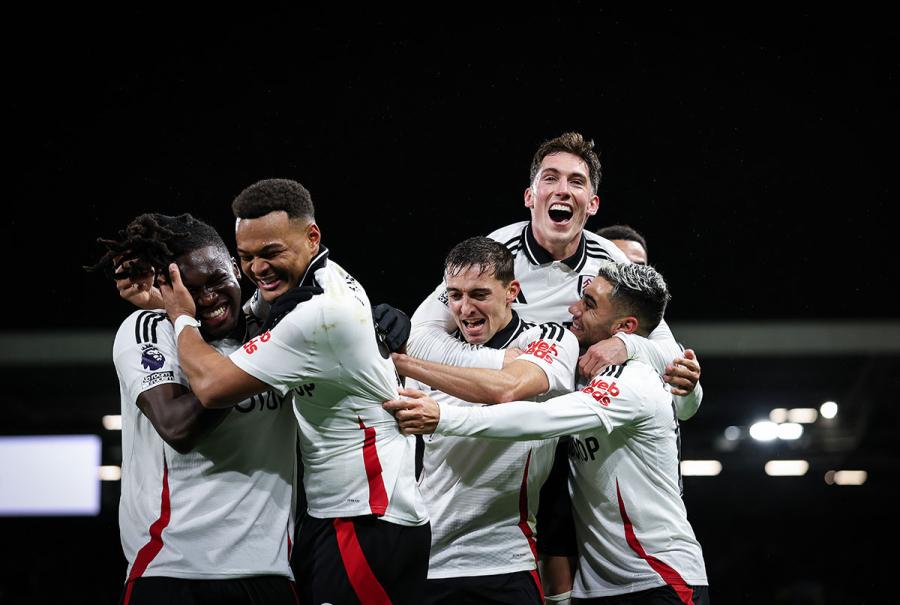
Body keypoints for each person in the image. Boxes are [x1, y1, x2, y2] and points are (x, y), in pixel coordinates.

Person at [158, 178, 430, 605]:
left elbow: (211, 387)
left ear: (312, 236)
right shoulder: (322, 281)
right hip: (350, 515)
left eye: (270, 253)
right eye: (245, 257)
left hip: (362, 519)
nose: (257, 269)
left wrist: (180, 317)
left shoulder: (319, 314)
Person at [385, 261, 710, 604]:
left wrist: (442, 417)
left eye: (589, 303)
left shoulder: (633, 383)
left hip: (657, 576)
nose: (573, 308)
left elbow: (538, 418)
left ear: (624, 327)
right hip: (598, 583)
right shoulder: (587, 371)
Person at [90, 213, 298, 605]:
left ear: (237, 270)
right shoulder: (150, 329)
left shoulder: (275, 333)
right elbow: (178, 427)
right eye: (191, 289)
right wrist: (261, 356)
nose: (208, 298)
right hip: (172, 570)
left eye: (218, 280)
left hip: (269, 573)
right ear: (171, 292)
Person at [390, 236, 580, 604]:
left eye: (479, 294)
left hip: (506, 562)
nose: (465, 308)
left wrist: (402, 361)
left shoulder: (549, 339)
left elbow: (508, 387)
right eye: (455, 296)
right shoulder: (433, 346)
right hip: (428, 562)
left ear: (512, 291)